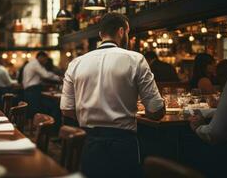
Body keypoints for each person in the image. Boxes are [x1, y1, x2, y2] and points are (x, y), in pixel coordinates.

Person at [60, 13, 165, 178]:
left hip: (89, 141)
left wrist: (90, 118)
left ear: (101, 34)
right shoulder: (136, 59)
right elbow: (156, 110)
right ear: (122, 32)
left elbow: (66, 110)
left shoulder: (76, 63)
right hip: (123, 142)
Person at [22, 51, 60, 118]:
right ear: (41, 57)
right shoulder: (35, 64)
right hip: (32, 90)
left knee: (34, 110)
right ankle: (46, 124)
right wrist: (58, 78)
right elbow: (45, 75)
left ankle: (40, 125)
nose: (46, 61)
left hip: (28, 90)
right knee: (39, 110)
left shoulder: (31, 63)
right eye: (45, 59)